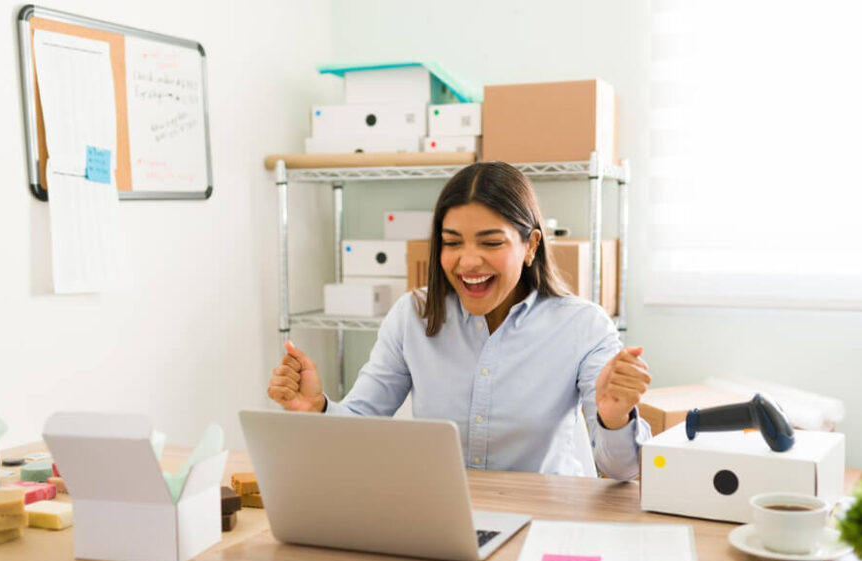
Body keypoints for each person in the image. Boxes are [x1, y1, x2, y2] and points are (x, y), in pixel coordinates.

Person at [267, 161, 652, 479]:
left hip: (544, 518)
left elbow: (623, 471)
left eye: (490, 242)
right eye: (452, 243)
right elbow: (360, 425)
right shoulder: (412, 316)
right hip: (443, 516)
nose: (468, 262)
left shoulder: (583, 327)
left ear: (531, 245)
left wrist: (614, 418)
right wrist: (315, 407)